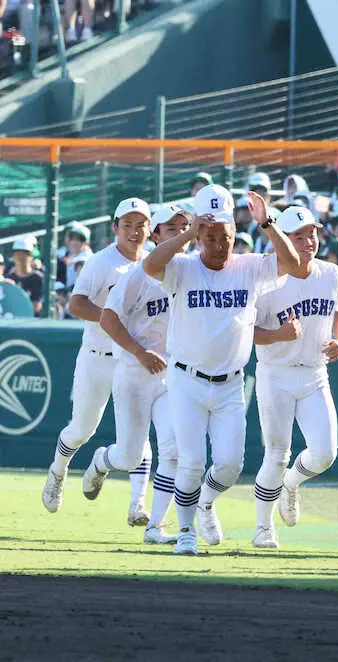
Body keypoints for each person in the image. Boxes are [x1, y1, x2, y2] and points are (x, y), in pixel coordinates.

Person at [141, 184, 303, 556]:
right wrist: (186, 232)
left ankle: (205, 503)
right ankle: (184, 531)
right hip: (186, 379)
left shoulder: (249, 267)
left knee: (230, 465)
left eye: (225, 236)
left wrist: (269, 224)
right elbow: (150, 265)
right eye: (210, 236)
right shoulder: (181, 268)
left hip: (230, 383)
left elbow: (292, 265)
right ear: (199, 236)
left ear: (235, 234)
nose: (219, 244)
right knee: (192, 460)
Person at [79, 205, 190, 545]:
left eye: (184, 228)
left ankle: (155, 526)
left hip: (169, 375)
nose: (180, 236)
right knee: (129, 457)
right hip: (133, 373)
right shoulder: (135, 276)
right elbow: (108, 320)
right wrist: (140, 352)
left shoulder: (193, 272)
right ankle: (102, 459)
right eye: (171, 230)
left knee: (172, 449)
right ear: (155, 236)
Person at [42, 198, 154, 523]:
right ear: (115, 227)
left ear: (149, 228)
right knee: (81, 430)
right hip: (97, 357)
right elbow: (76, 304)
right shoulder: (101, 262)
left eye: (141, 225)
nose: (134, 231)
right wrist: (109, 317)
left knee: (138, 433)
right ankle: (58, 472)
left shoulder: (152, 263)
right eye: (127, 225)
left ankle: (138, 505)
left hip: (130, 360)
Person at [250, 207, 338, 550]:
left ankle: (291, 483)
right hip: (275, 373)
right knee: (276, 452)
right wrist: (278, 335)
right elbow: (246, 332)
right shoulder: (267, 280)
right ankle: (263, 527)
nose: (308, 241)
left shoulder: (331, 273)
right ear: (283, 240)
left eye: (311, 233)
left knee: (325, 453)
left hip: (314, 373)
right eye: (298, 235)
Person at [3, 235, 44, 315]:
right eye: (18, 252)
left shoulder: (38, 278)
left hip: (31, 322)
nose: (21, 256)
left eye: (25, 253)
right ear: (13, 256)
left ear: (31, 256)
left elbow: (37, 307)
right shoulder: (9, 278)